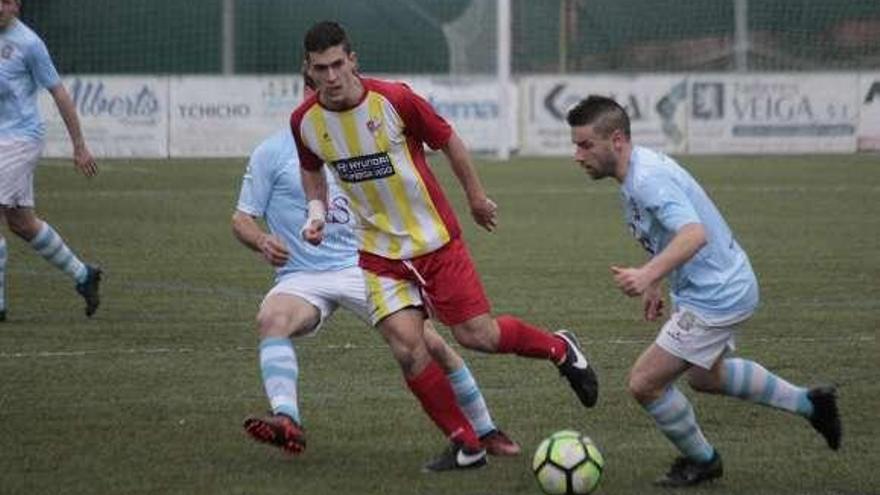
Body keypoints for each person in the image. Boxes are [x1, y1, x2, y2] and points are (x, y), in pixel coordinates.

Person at [292, 21, 599, 470]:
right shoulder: (305, 121)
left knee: (478, 336)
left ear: (353, 60)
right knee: (407, 348)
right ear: (309, 70)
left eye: (339, 64)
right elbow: (312, 169)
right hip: (380, 255)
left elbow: (448, 139)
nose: (332, 76)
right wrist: (315, 214)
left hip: (435, 242)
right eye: (322, 68)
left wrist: (475, 197)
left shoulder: (394, 100)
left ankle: (559, 348)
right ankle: (467, 444)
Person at [566, 95, 842, 487]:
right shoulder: (634, 174)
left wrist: (646, 275)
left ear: (616, 140)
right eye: (575, 144)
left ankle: (703, 460)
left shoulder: (647, 180)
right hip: (713, 284)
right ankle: (812, 404)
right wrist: (658, 280)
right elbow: (667, 233)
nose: (577, 155)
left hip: (718, 293)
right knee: (705, 378)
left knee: (645, 383)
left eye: (584, 144)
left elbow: (695, 235)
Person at [232, 121, 520, 471]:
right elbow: (242, 218)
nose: (327, 88)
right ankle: (286, 418)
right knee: (271, 320)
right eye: (317, 81)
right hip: (302, 274)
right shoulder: (272, 151)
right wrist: (262, 240)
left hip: (365, 266)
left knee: (431, 346)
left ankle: (485, 430)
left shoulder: (361, 143)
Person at [0, 0, 101, 321]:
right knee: (21, 223)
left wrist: (79, 145)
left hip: (19, 139)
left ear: (16, 6)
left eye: (6, 0)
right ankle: (83, 274)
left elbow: (59, 93)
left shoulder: (29, 43)